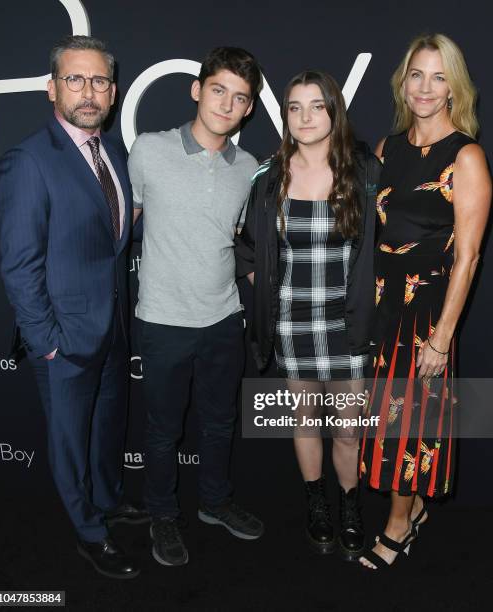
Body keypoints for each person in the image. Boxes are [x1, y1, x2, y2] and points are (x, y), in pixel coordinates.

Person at [0, 35, 148, 579]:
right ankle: (88, 531)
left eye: (99, 81)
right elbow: (18, 265)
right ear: (51, 87)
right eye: (75, 79)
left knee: (108, 429)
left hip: (112, 331)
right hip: (63, 340)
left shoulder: (114, 154)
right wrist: (49, 342)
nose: (88, 91)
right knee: (68, 440)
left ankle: (107, 500)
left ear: (113, 90)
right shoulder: (27, 162)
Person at [358, 33, 491, 569]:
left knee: (409, 423)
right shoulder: (387, 148)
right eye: (417, 74)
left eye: (439, 76)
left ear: (454, 87)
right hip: (382, 307)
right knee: (387, 418)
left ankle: (399, 523)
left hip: (427, 315)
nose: (426, 87)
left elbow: (470, 256)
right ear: (403, 81)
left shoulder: (467, 156)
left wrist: (442, 337)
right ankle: (410, 511)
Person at [128, 46, 265, 567]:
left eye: (240, 97)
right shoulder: (148, 149)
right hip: (163, 319)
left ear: (249, 108)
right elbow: (126, 222)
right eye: (218, 90)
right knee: (163, 431)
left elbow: (238, 241)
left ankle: (215, 501)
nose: (227, 104)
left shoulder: (248, 167)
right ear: (197, 89)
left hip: (224, 318)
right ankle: (163, 515)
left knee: (219, 421)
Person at [236, 71, 381, 560]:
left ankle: (351, 505)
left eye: (316, 106)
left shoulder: (365, 170)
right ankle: (316, 504)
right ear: (284, 116)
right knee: (304, 422)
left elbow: (388, 246)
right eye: (294, 107)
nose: (305, 117)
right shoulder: (270, 174)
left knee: (346, 428)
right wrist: (269, 293)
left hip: (348, 322)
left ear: (334, 111)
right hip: (292, 324)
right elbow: (249, 250)